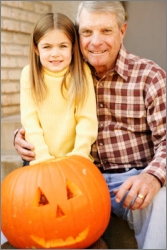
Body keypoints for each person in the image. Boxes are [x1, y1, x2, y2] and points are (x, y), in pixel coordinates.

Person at [14, 2, 166, 249]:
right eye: (87, 32)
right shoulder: (69, 71)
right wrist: (22, 135)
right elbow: (43, 112)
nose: (96, 41)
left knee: (162, 202)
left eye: (106, 31)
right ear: (77, 37)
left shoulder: (149, 76)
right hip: (78, 181)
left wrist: (152, 177)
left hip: (130, 180)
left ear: (122, 30)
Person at [19, 12, 98, 166]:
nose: (55, 54)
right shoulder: (29, 75)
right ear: (36, 49)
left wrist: (78, 156)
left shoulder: (81, 72)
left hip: (76, 160)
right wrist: (42, 158)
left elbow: (86, 119)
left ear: (73, 47)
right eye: (47, 47)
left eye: (63, 46)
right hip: (39, 159)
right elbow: (30, 122)